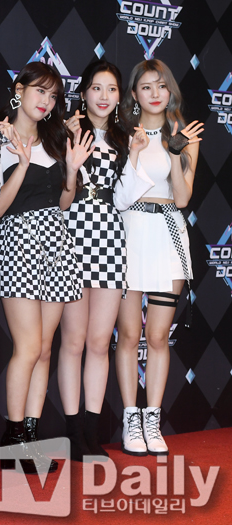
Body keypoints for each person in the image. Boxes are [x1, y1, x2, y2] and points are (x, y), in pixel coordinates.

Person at [0, 61, 93, 473]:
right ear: (19, 90)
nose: (46, 101)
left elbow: (63, 203)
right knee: (28, 347)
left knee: (45, 349)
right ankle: (12, 439)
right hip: (19, 243)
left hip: (57, 244)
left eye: (52, 95)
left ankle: (30, 438)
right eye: (39, 91)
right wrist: (23, 164)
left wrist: (72, 171)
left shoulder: (56, 137)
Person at [116, 59, 203, 456]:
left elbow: (182, 198)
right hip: (130, 233)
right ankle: (130, 418)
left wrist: (175, 150)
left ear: (170, 92)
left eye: (161, 86)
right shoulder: (122, 133)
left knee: (157, 337)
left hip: (168, 234)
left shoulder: (184, 135)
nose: (155, 93)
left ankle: (153, 418)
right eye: (146, 86)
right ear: (134, 93)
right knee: (128, 335)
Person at [58, 59, 134, 460]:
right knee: (72, 341)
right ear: (83, 91)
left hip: (110, 238)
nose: (104, 96)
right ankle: (73, 432)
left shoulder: (126, 139)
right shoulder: (66, 130)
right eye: (97, 88)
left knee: (100, 342)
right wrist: (66, 141)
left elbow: (126, 196)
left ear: (120, 96)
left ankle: (91, 431)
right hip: (71, 235)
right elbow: (57, 190)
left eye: (112, 89)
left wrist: (136, 157)